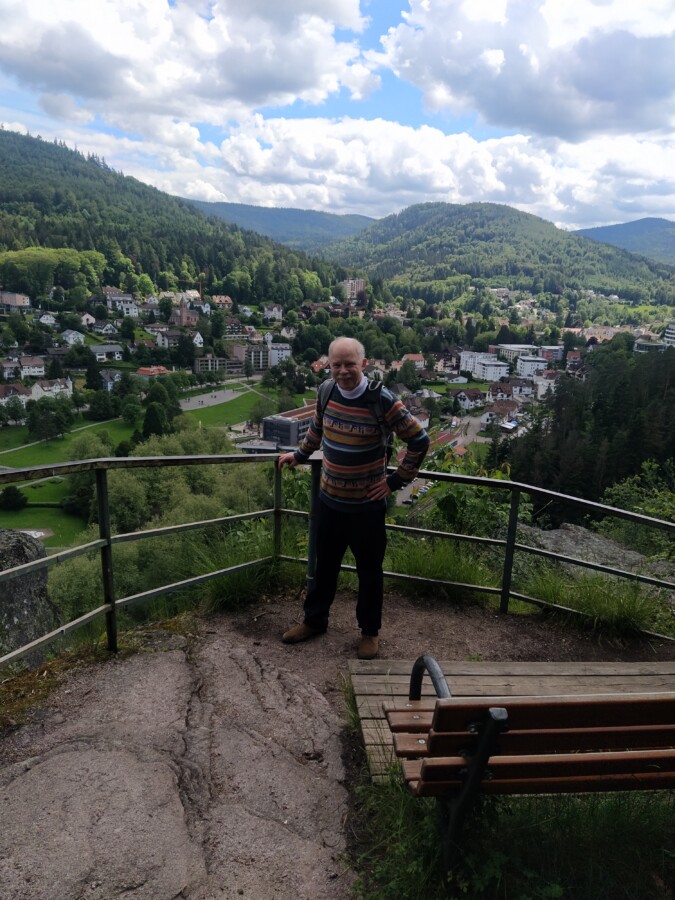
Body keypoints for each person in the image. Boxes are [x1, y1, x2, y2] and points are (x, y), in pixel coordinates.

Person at [277, 337, 430, 659]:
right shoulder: (326, 391)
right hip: (330, 500)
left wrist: (395, 481)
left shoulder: (382, 400)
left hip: (367, 507)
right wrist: (300, 455)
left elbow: (419, 440)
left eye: (350, 364)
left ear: (364, 364)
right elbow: (318, 428)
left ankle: (370, 633)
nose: (343, 371)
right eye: (337, 365)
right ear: (328, 365)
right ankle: (314, 621)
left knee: (369, 572)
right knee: (324, 567)